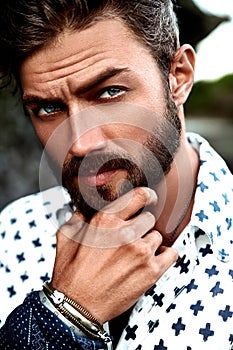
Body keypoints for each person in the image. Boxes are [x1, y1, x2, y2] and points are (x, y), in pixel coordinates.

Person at [0, 0, 232, 349]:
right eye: (48, 108)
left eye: (110, 92)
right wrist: (62, 317)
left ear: (178, 77)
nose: (79, 144)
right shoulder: (14, 233)